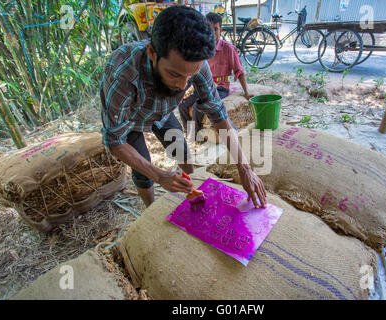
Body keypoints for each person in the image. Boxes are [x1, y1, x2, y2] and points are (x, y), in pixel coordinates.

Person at [100, 6, 266, 208]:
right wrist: (160, 176)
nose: (181, 86)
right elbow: (115, 140)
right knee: (143, 169)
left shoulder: (198, 64)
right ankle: (150, 209)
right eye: (174, 74)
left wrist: (245, 168)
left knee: (179, 145)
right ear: (152, 53)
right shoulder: (122, 73)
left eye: (190, 76)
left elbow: (218, 113)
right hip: (132, 119)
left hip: (161, 112)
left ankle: (194, 190)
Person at [178, 12, 253, 139]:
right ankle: (188, 131)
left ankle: (195, 137)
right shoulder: (200, 48)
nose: (212, 33)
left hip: (220, 87)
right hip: (202, 85)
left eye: (215, 29)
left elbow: (239, 71)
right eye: (208, 29)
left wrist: (246, 92)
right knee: (183, 104)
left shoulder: (228, 49)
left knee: (198, 107)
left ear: (221, 30)